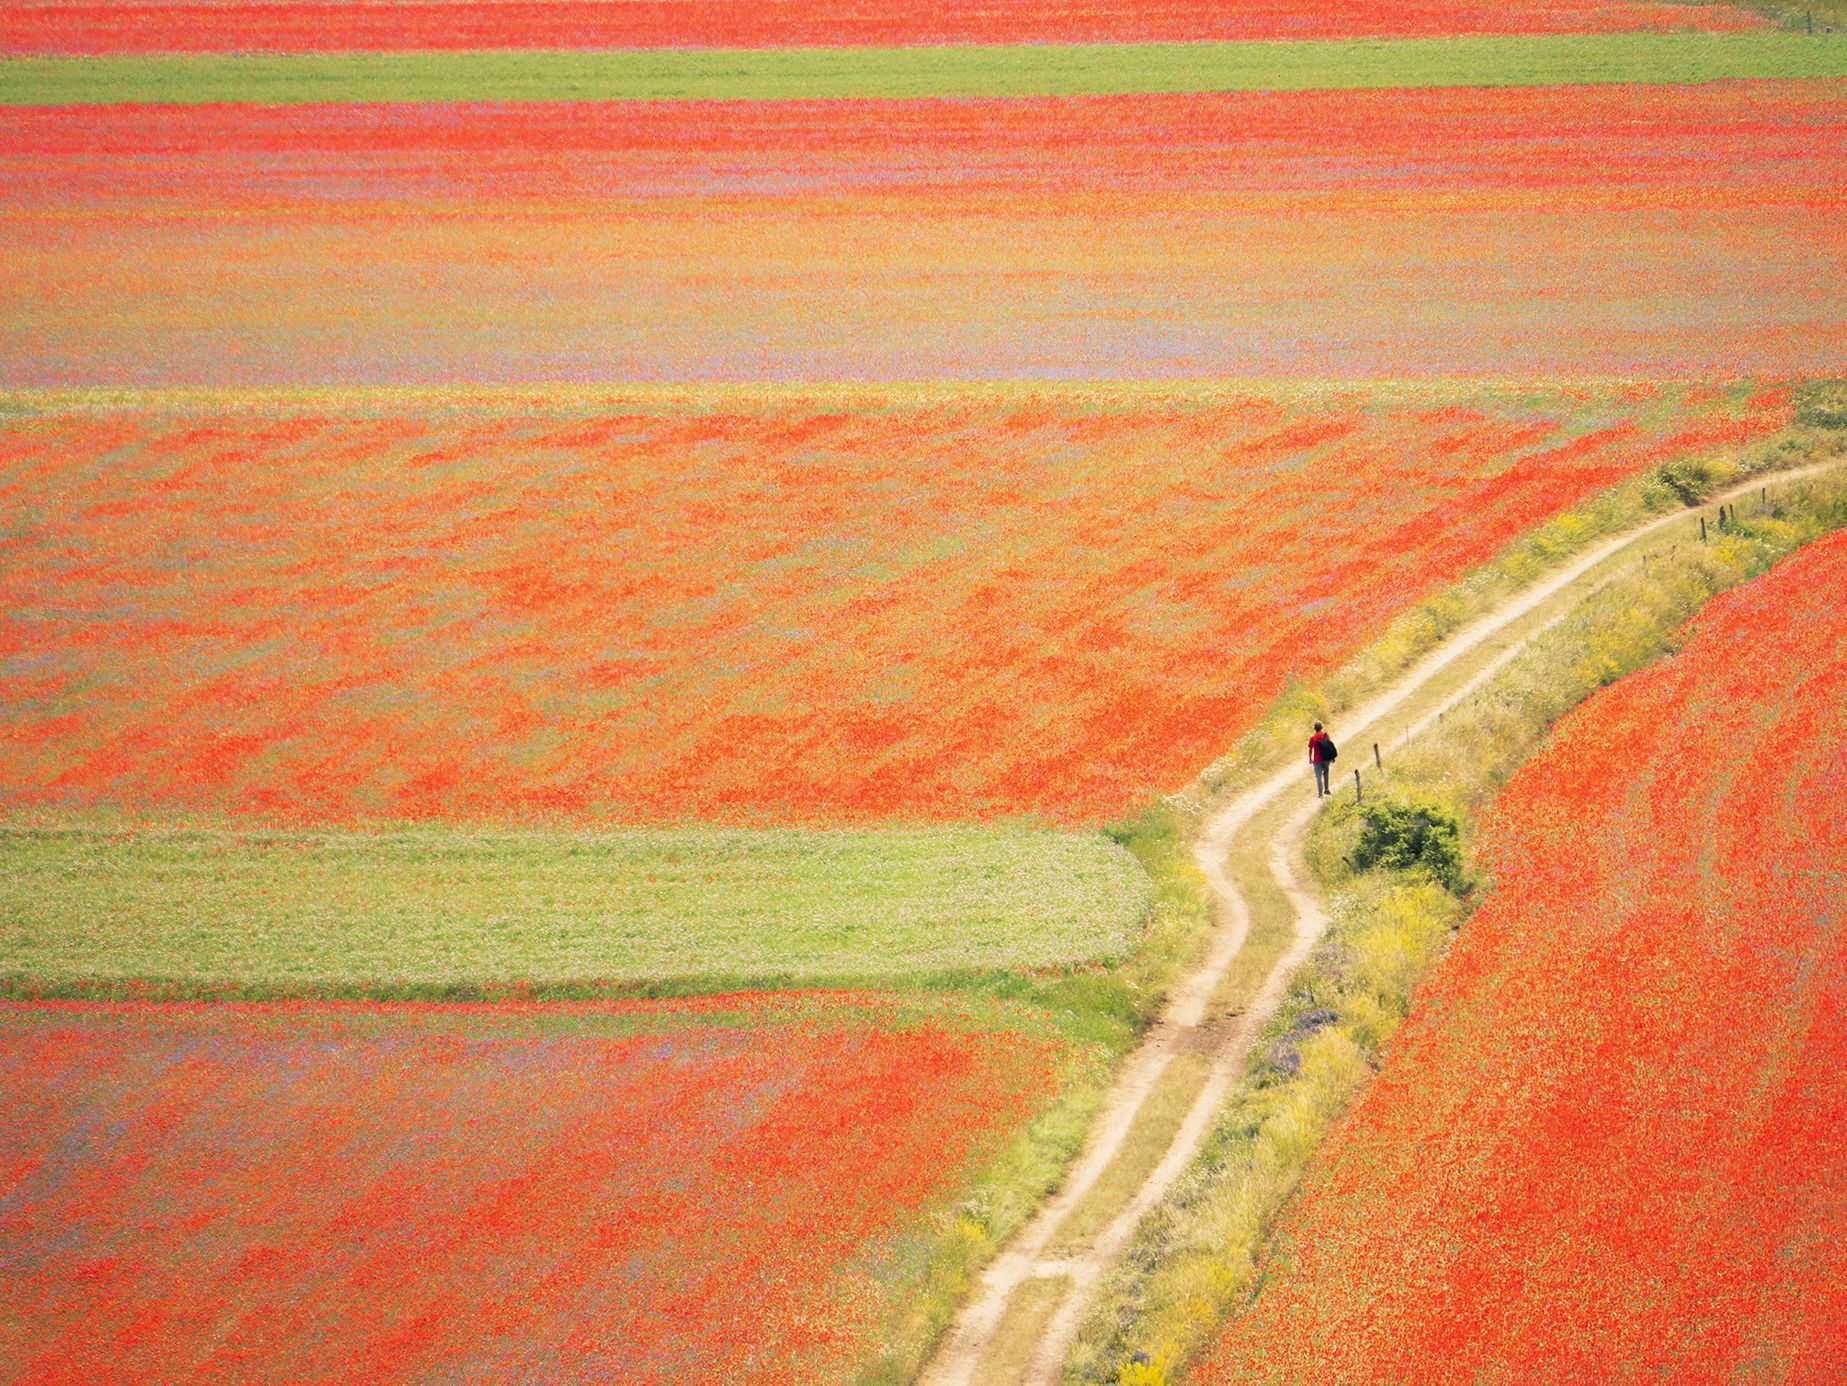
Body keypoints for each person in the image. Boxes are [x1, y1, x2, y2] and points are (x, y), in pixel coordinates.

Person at [1308, 721, 1336, 798]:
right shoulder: (1325, 736)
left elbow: (1310, 749)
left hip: (1317, 760)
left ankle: (1320, 794)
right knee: (1326, 774)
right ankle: (1326, 789)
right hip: (1326, 759)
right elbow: (1330, 747)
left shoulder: (1312, 738)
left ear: (1315, 729)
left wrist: (1310, 758)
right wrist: (1332, 757)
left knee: (1318, 777)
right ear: (1321, 728)